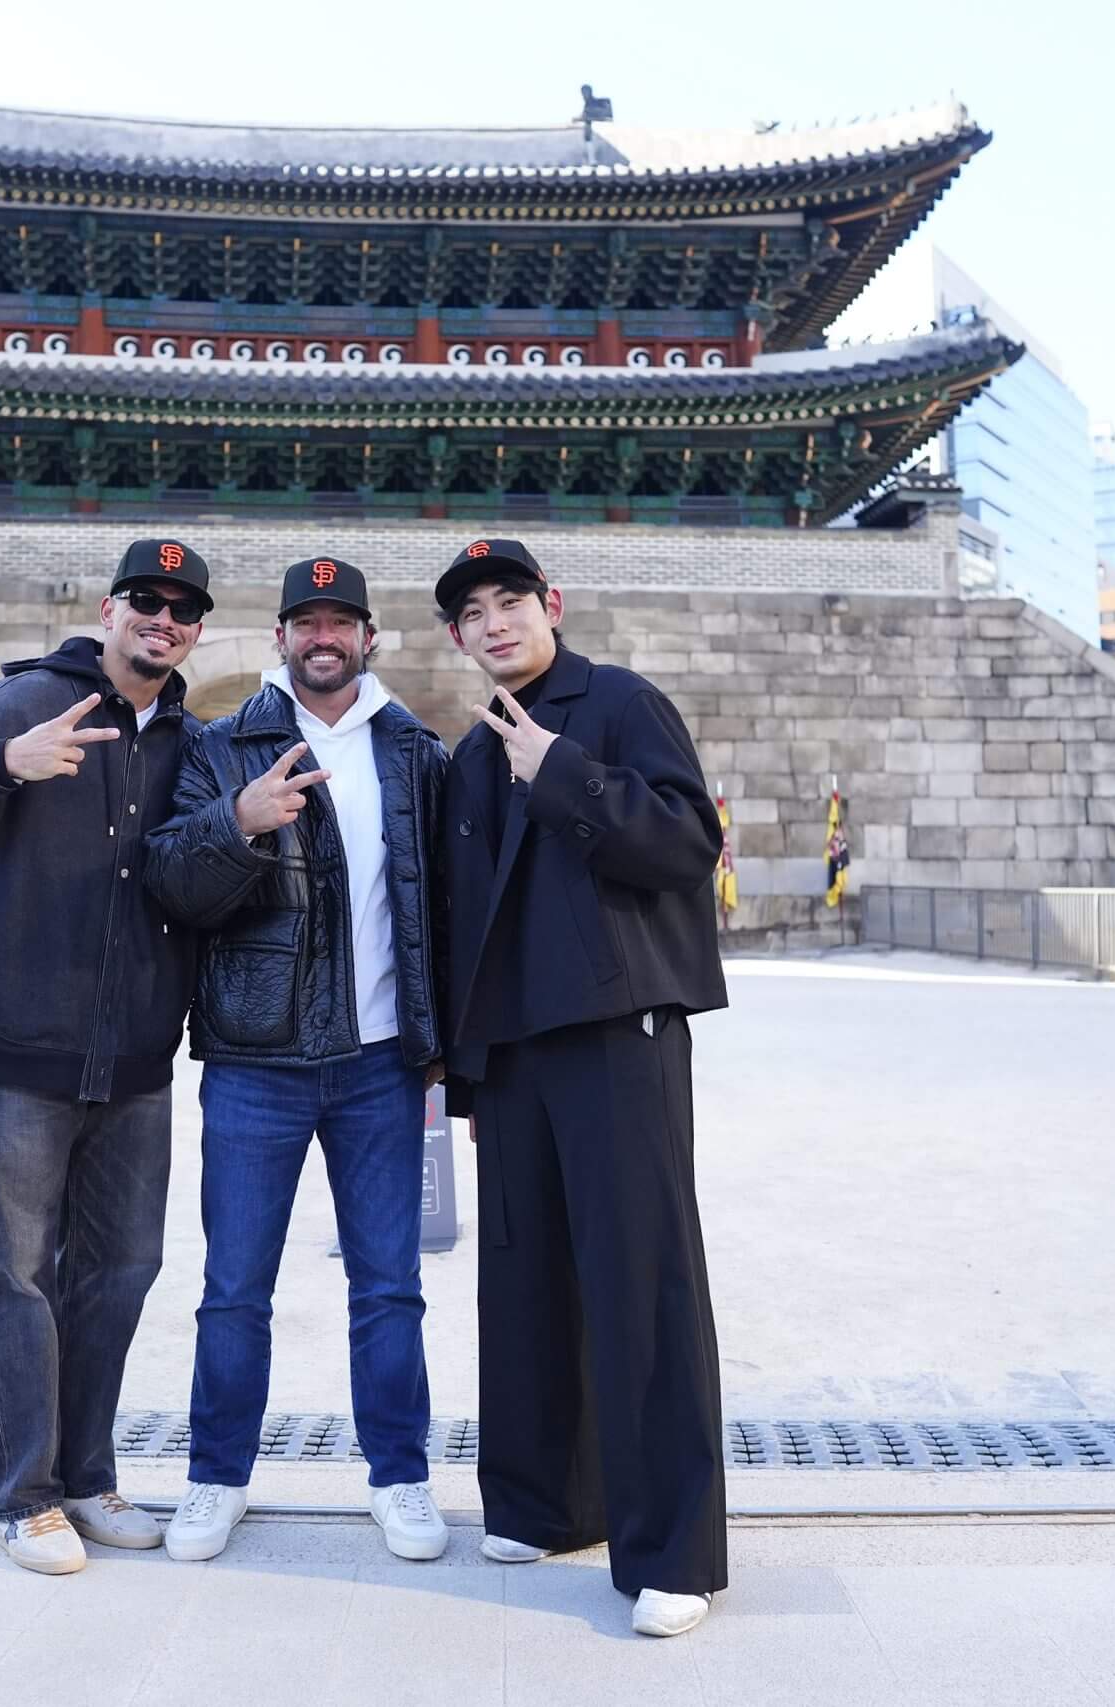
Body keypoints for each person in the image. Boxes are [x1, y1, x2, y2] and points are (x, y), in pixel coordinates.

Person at [0, 539, 212, 1576]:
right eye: (145, 600)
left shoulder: (189, 743)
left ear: (197, 629)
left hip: (135, 1052)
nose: (161, 619)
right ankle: (24, 1495)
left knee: (121, 1268)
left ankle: (86, 1472)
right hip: (20, 1038)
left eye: (182, 608)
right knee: (15, 1269)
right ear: (110, 610)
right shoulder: (27, 698)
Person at [434, 538, 731, 1638]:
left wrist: (561, 773)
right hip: (512, 1052)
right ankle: (548, 1503)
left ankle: (672, 1555)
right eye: (472, 611)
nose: (495, 621)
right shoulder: (468, 756)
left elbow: (688, 842)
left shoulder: (617, 703)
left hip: (618, 1032)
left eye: (511, 599)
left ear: (550, 606)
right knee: (525, 1286)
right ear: (457, 639)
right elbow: (462, 921)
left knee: (639, 1285)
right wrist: (455, 1065)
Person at [144, 556, 452, 1564]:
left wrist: (440, 1042)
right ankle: (214, 1478)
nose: (323, 637)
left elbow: (445, 910)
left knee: (389, 1287)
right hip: (254, 1061)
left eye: (341, 621)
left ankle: (400, 1476)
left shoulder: (415, 754)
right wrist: (237, 825)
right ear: (278, 637)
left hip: (378, 1066)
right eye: (304, 621)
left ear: (369, 637)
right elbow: (169, 887)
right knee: (234, 1287)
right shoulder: (223, 749)